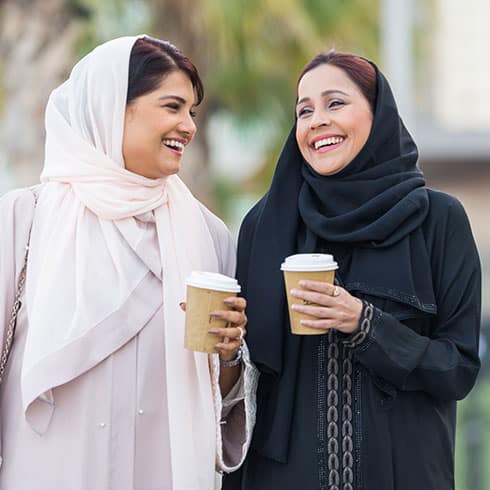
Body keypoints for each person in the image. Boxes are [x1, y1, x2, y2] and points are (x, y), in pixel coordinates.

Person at [0, 35, 258, 490]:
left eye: (192, 112)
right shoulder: (25, 221)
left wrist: (229, 353)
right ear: (114, 106)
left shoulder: (207, 236)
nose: (189, 126)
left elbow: (221, 408)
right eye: (172, 106)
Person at [223, 51, 481, 490]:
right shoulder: (265, 226)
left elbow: (456, 368)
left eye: (335, 103)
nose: (316, 120)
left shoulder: (437, 221)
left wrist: (364, 324)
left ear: (378, 114)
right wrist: (226, 348)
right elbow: (245, 386)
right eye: (304, 111)